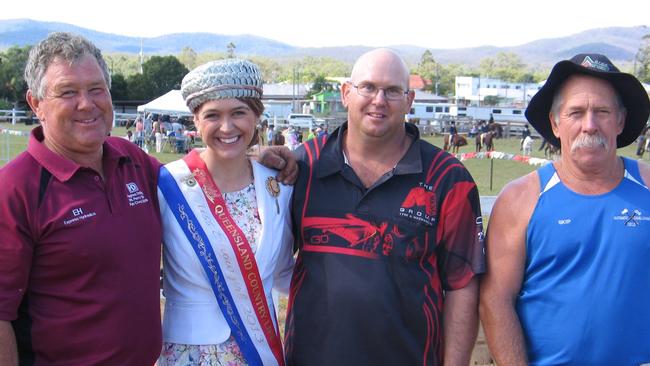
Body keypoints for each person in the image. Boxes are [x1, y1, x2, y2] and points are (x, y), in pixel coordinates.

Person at [282, 48, 485, 365]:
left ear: (410, 100)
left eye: (392, 91)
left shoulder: (448, 178)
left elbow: (462, 285)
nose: (379, 100)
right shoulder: (303, 165)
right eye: (368, 87)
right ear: (347, 93)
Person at [0, 32, 162, 365]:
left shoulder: (132, 159)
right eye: (68, 92)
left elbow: (204, 186)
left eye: (96, 89)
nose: (86, 103)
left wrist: (270, 160)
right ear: (36, 104)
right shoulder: (15, 188)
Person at [480, 53, 650, 365]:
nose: (590, 125)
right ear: (556, 123)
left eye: (602, 111)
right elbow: (495, 299)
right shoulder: (520, 199)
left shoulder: (647, 186)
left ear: (621, 121)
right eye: (576, 112)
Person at [157, 59, 294, 366]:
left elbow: (284, 271)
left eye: (239, 113)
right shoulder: (167, 186)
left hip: (258, 350)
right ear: (195, 120)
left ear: (257, 115)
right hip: (187, 353)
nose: (227, 127)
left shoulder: (280, 186)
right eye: (213, 115)